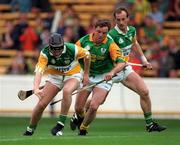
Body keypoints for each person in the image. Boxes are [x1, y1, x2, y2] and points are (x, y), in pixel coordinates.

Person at [107, 7, 166, 132]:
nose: (121, 22)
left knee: (144, 92)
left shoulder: (132, 30)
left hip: (125, 68)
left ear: (128, 18)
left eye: (123, 19)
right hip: (112, 70)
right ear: (115, 20)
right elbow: (109, 54)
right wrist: (118, 63)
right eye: (118, 20)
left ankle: (150, 124)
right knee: (96, 103)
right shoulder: (111, 35)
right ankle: (78, 115)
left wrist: (144, 60)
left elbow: (135, 44)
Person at [23, 33, 91, 136]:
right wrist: (36, 88)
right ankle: (30, 129)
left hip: (73, 74)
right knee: (41, 104)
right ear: (49, 46)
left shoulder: (72, 48)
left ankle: (60, 124)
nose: (56, 51)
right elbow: (39, 71)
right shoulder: (45, 54)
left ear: (63, 45)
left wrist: (86, 74)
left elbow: (87, 55)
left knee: (67, 91)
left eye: (59, 48)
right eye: (54, 49)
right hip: (55, 77)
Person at [70, 19, 127, 135]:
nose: (101, 35)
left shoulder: (110, 44)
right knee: (78, 108)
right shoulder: (83, 41)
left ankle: (83, 128)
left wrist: (112, 72)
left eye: (104, 33)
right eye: (99, 31)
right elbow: (72, 56)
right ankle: (79, 117)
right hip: (86, 74)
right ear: (94, 29)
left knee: (94, 106)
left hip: (103, 77)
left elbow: (122, 63)